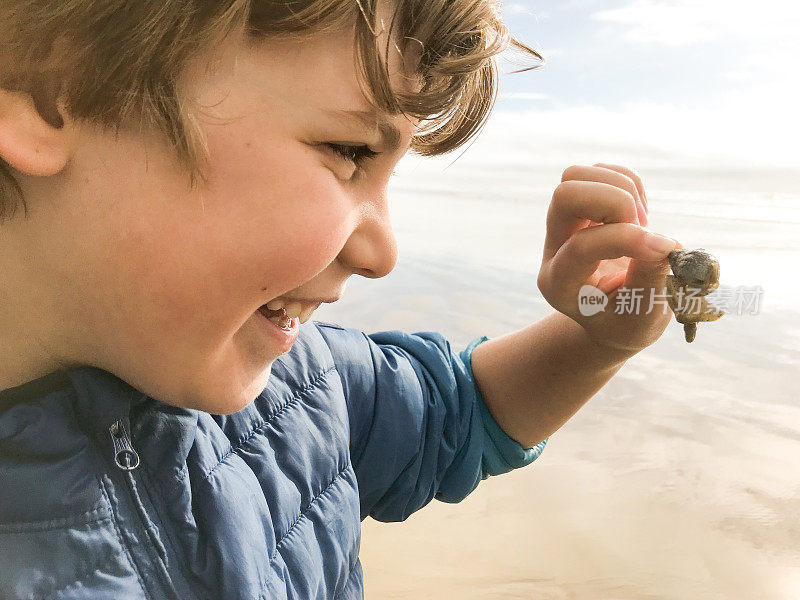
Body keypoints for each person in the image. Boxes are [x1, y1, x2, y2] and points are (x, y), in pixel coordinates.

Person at [0, 1, 681, 598]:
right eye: (351, 150)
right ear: (54, 96)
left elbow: (456, 413)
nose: (382, 254)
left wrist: (597, 339)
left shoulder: (301, 383)